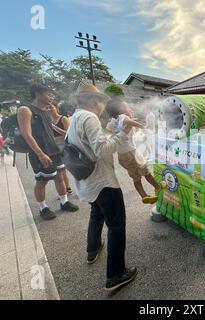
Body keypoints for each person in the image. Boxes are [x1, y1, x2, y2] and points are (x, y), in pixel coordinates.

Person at [66, 84, 143, 292]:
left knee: (96, 214)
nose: (103, 105)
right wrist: (124, 131)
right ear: (93, 101)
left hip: (86, 182)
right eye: (101, 101)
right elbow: (101, 150)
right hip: (103, 182)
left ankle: (92, 250)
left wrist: (111, 132)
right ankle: (116, 275)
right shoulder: (90, 118)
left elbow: (91, 145)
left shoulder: (75, 117)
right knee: (116, 227)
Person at [17, 84, 79, 220]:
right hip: (40, 153)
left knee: (60, 177)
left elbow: (49, 131)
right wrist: (40, 153)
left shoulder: (46, 111)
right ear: (37, 93)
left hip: (54, 150)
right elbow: (26, 134)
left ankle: (64, 202)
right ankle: (42, 208)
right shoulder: (25, 109)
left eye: (53, 95)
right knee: (42, 181)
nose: (52, 97)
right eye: (49, 94)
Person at [105, 99, 167, 204]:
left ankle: (144, 196)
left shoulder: (113, 121)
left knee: (135, 177)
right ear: (121, 110)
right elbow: (129, 122)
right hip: (131, 152)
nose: (131, 109)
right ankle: (157, 186)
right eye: (128, 107)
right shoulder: (124, 117)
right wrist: (143, 126)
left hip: (121, 156)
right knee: (145, 171)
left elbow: (111, 131)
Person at [48, 103, 73, 195]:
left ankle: (70, 188)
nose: (49, 110)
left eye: (51, 107)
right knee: (61, 170)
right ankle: (67, 188)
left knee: (64, 169)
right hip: (54, 148)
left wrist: (54, 127)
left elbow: (68, 134)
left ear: (57, 108)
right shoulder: (47, 120)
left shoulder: (63, 118)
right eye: (47, 108)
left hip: (64, 147)